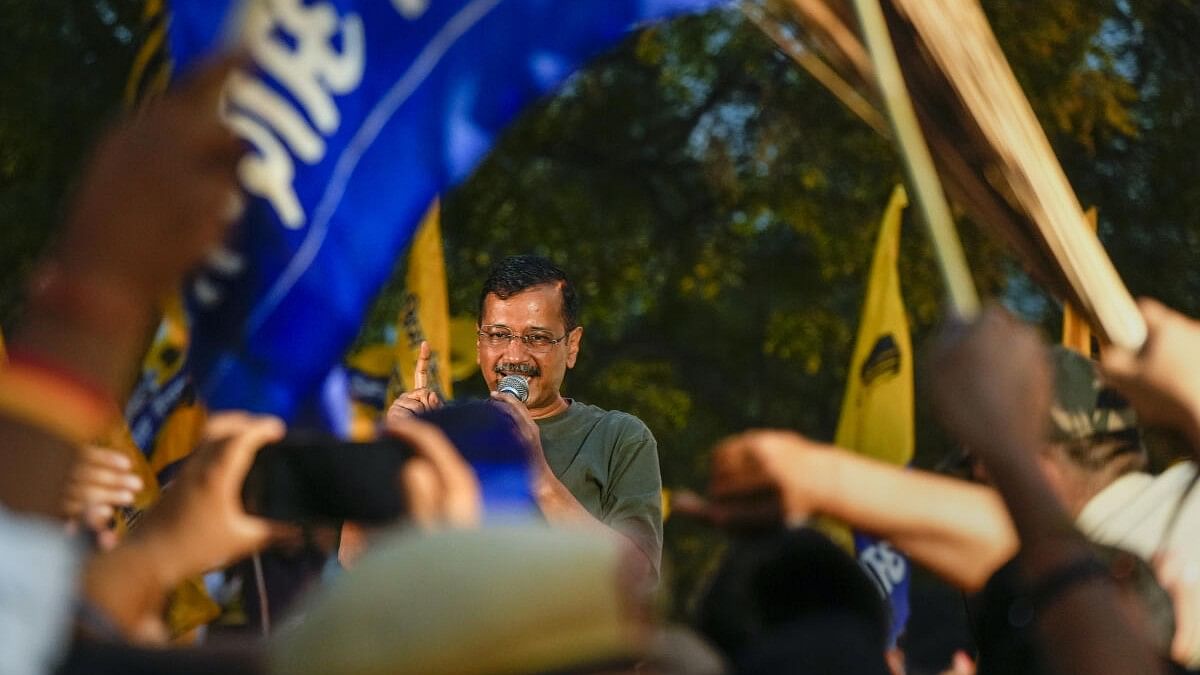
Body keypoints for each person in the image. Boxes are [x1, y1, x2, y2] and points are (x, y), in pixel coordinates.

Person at [389, 255, 664, 579]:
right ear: (479, 343)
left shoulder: (619, 437)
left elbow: (640, 578)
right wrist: (393, 452)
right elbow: (355, 566)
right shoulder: (441, 435)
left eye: (537, 338)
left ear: (572, 346)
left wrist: (538, 475)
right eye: (499, 335)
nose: (515, 355)